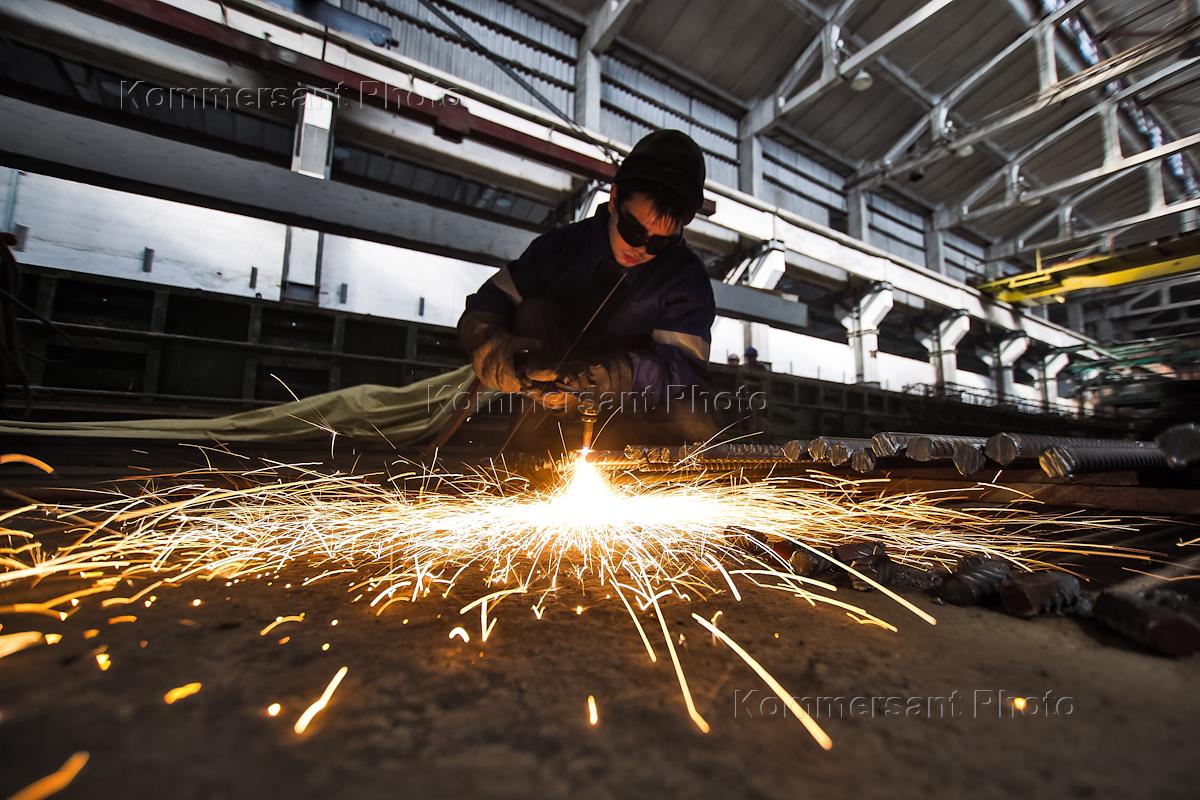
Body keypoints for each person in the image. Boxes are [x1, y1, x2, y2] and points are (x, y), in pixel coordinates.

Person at [456, 129, 717, 451]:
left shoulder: (685, 276)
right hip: (550, 395)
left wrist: (619, 375)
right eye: (633, 231)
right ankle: (531, 449)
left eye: (659, 242)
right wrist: (500, 355)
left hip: (631, 404)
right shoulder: (558, 249)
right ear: (614, 198)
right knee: (532, 310)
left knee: (694, 418)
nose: (640, 249)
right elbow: (487, 307)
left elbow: (682, 367)